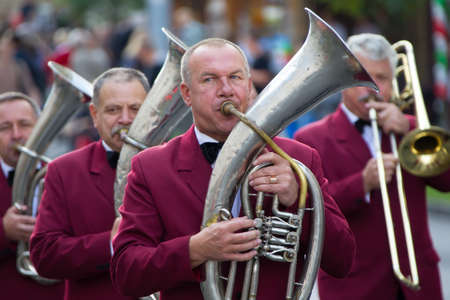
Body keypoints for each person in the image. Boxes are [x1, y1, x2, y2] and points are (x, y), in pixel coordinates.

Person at [110, 38, 356, 300]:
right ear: (186, 94)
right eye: (209, 80)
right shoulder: (152, 167)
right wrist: (196, 250)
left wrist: (301, 198)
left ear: (249, 86)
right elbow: (127, 274)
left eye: (235, 77)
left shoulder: (299, 158)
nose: (226, 89)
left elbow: (343, 262)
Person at [294, 33, 450, 300]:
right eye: (363, 77)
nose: (373, 87)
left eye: (382, 78)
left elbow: (446, 184)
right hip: (355, 286)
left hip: (420, 284)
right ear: (343, 81)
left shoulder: (414, 130)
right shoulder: (311, 138)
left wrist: (408, 130)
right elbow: (310, 212)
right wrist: (362, 183)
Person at [29, 68, 149, 300]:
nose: (125, 118)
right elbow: (44, 256)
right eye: (113, 110)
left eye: (135, 108)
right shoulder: (64, 170)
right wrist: (110, 243)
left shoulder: (173, 161)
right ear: (94, 115)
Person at [0, 91, 64, 299]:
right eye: (5, 128)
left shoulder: (64, 175)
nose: (16, 134)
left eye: (24, 124)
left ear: (39, 128)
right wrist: (4, 230)